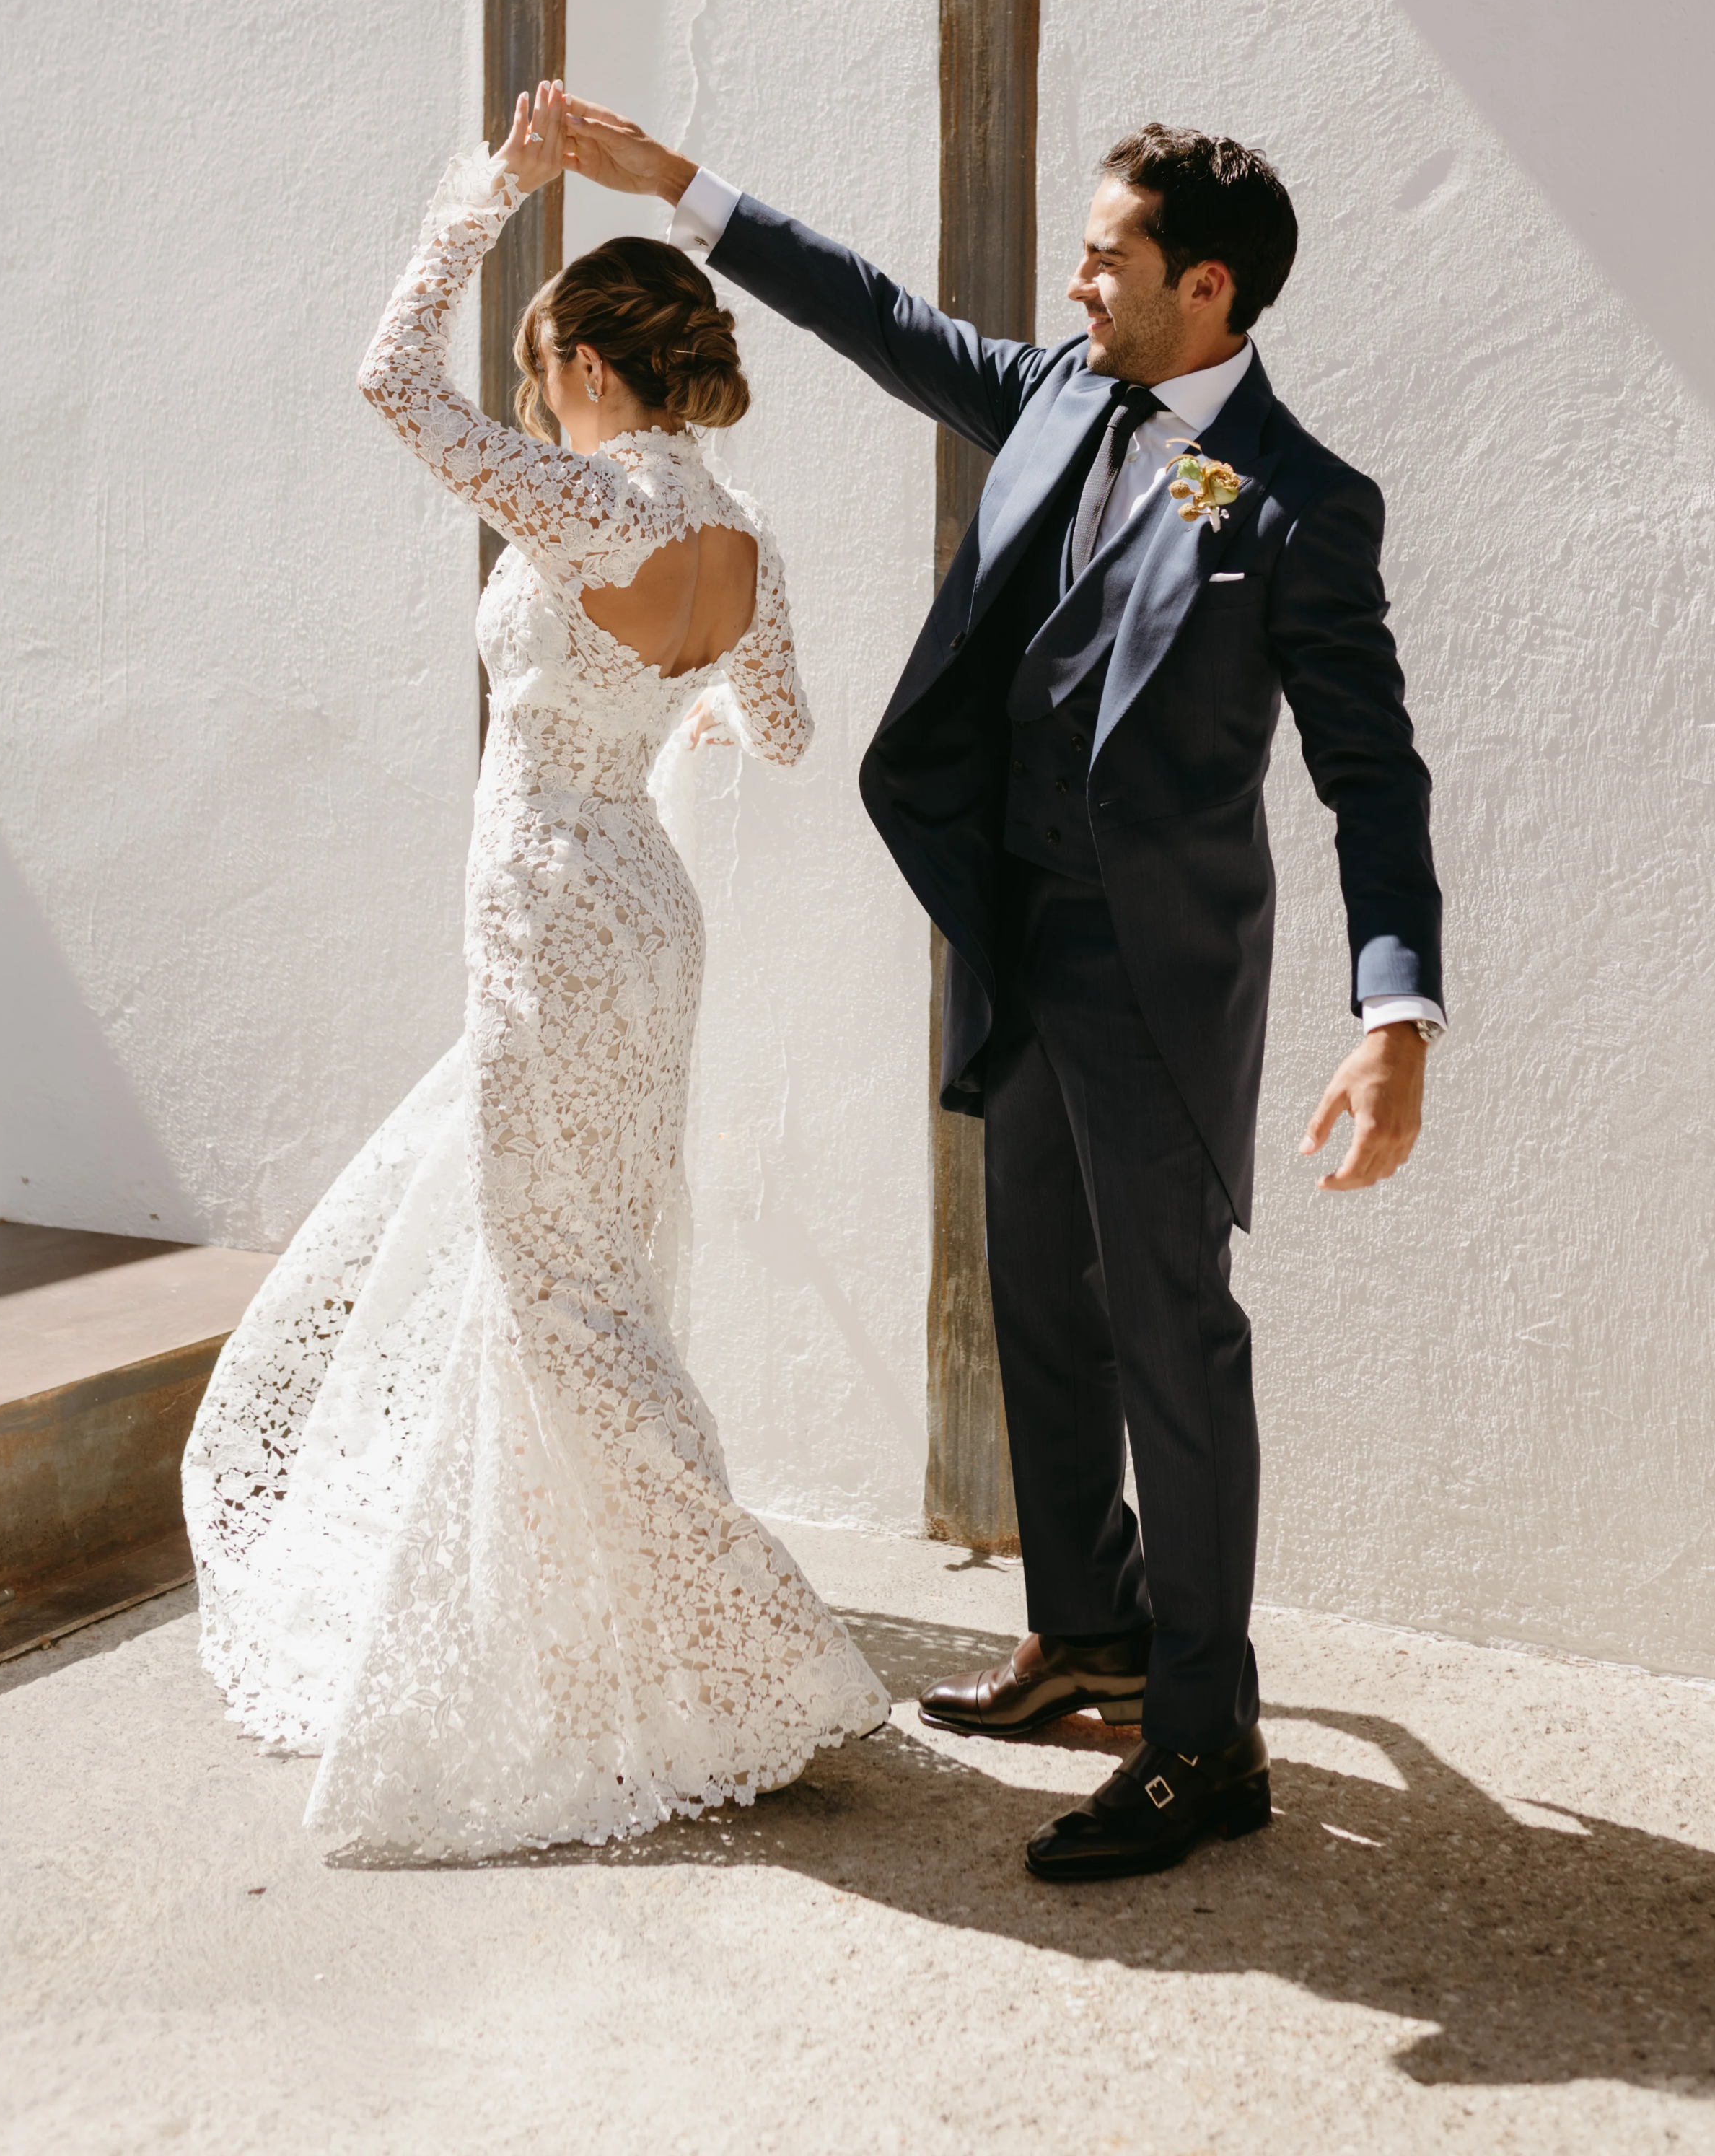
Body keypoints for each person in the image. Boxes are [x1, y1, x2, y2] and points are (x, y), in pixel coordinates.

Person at [554, 95, 1444, 1887]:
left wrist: (1396, 1011)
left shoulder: (1300, 502)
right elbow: (879, 314)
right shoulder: (1053, 390)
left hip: (1162, 975)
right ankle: (1088, 1632)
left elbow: (1374, 770)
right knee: (1036, 1287)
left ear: (1207, 286)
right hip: (1020, 934)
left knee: (1169, 1330)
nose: (1074, 274)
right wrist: (689, 193)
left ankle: (1206, 1736)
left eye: (1106, 251)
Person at [183, 85, 887, 1862]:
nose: (528, 392)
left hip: (548, 902)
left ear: (584, 360)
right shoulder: (744, 543)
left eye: (541, 361)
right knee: (604, 1266)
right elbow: (785, 727)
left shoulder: (576, 502)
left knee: (552, 1278)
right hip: (646, 902)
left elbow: (382, 380)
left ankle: (741, 1638)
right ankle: (634, 1632)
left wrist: (486, 196)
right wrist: (676, 717)